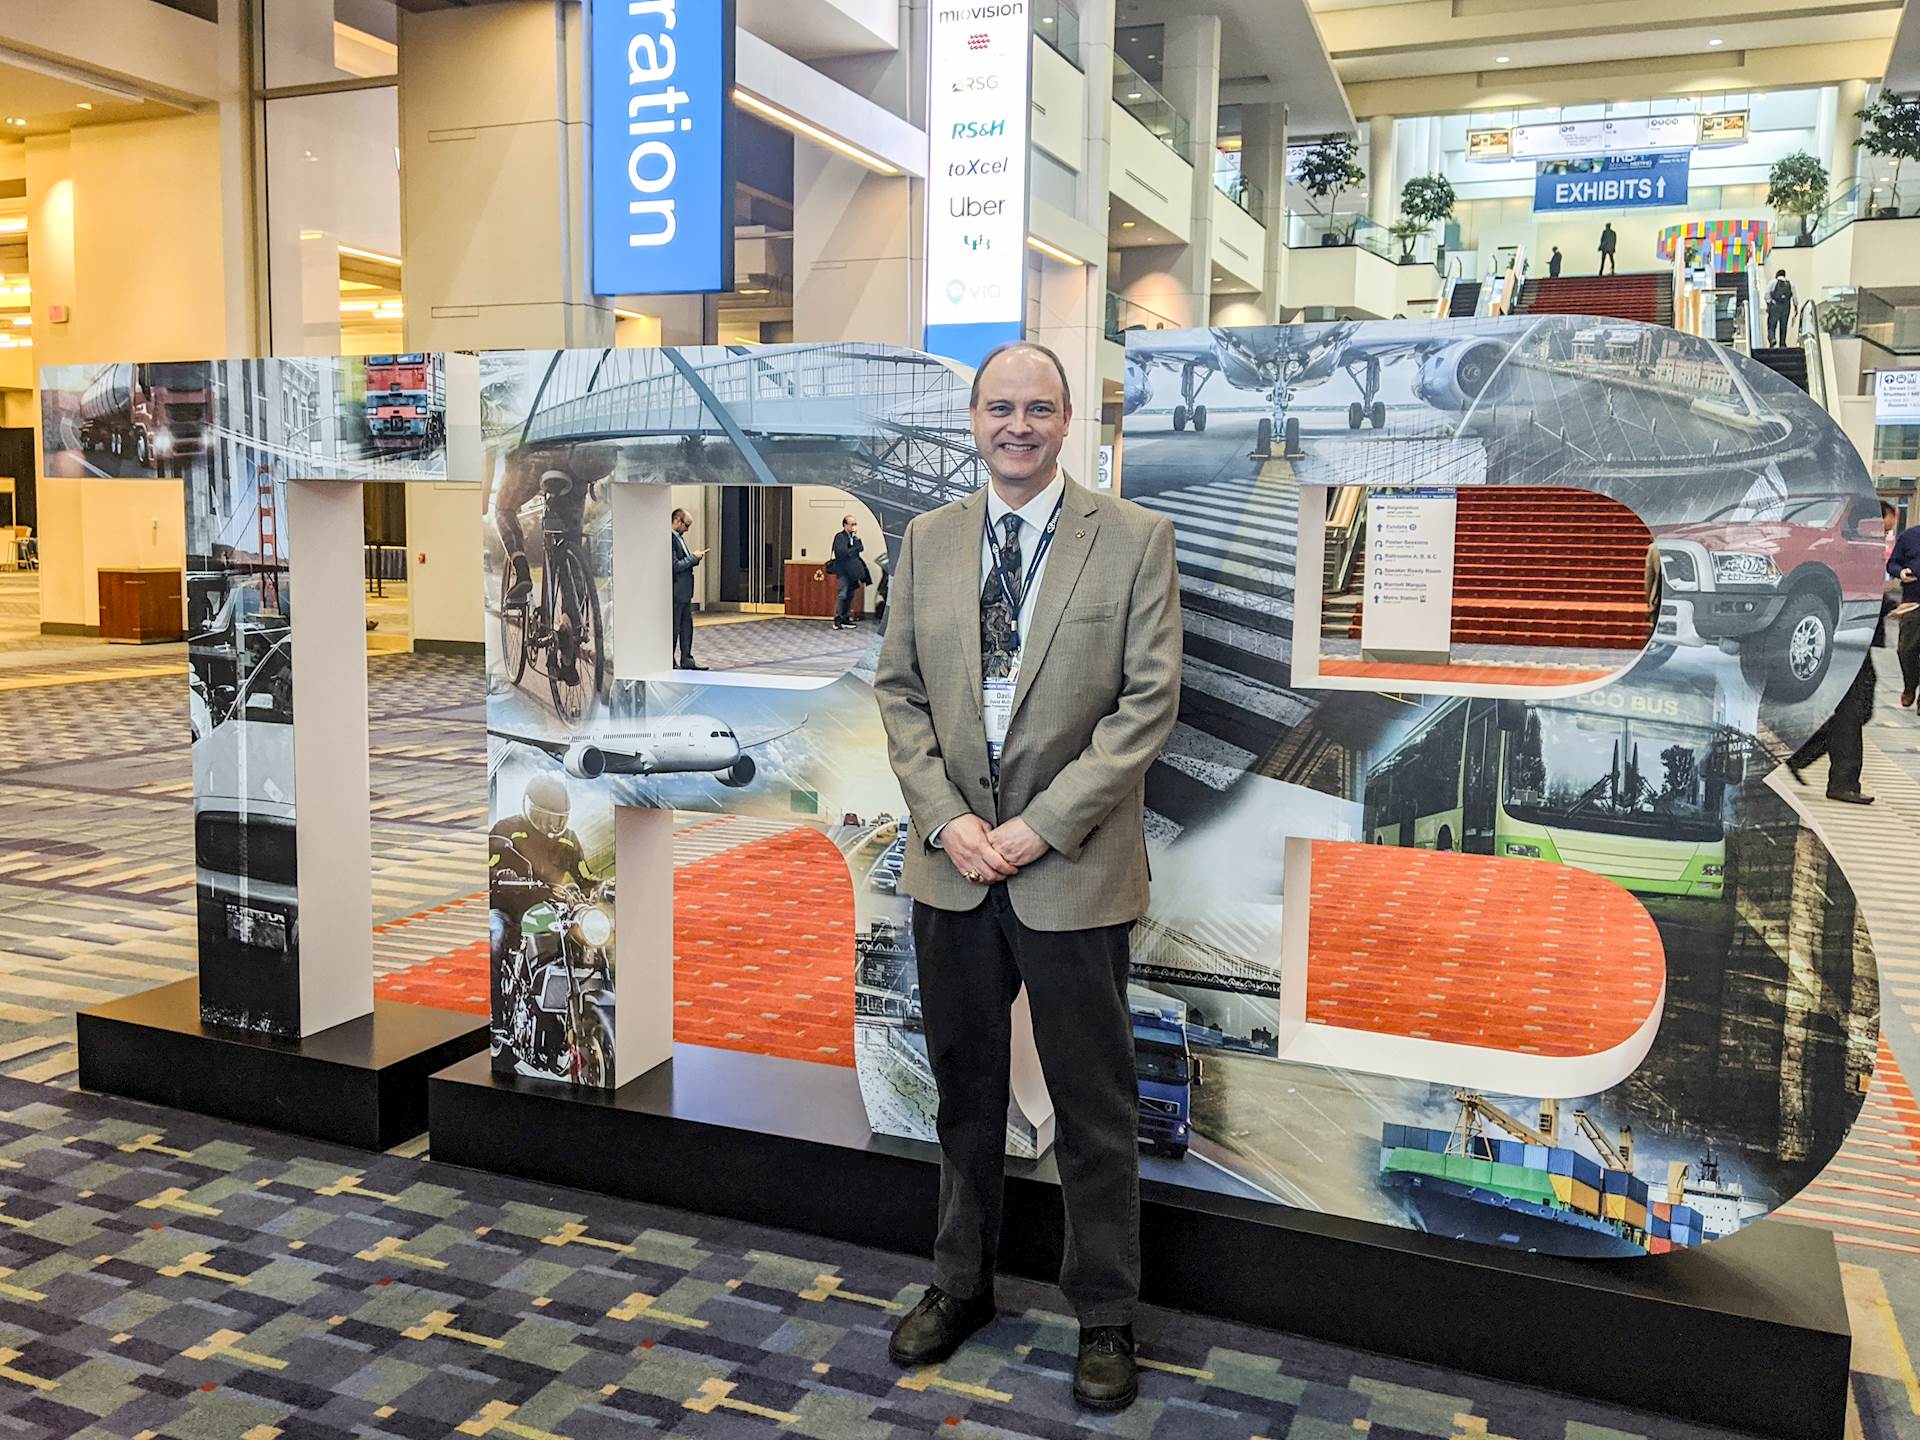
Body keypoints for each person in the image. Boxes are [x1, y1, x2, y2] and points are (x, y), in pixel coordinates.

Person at [873, 341, 1183, 1412]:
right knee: (964, 1094)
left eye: (1039, 407)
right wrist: (950, 820)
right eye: (999, 407)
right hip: (952, 867)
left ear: (1067, 421)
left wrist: (1039, 828)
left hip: (1073, 870)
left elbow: (1146, 708)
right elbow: (899, 693)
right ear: (972, 418)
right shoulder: (928, 539)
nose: (1018, 424)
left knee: (1095, 1107)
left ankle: (1105, 1314)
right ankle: (961, 1284)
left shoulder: (1134, 539)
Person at [1789, 505, 1896, 803]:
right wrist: (1888, 605)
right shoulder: (1846, 547)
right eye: (1883, 530)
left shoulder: (1862, 548)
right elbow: (1854, 586)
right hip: (1848, 637)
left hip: (1856, 637)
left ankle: (1802, 754)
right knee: (1853, 708)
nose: (1886, 537)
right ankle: (1843, 782)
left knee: (1859, 708)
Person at [1889, 507, 1920, 706]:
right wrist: (1900, 573)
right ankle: (1910, 685)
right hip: (1912, 602)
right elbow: (1892, 563)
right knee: (1906, 650)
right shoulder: (1910, 536)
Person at [671, 508, 708, 671]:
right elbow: (675, 566)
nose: (687, 529)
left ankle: (687, 659)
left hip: (684, 593)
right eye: (686, 525)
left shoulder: (679, 538)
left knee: (686, 628)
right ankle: (670, 662)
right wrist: (693, 558)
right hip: (676, 592)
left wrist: (694, 557)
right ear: (677, 520)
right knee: (674, 629)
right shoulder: (670, 538)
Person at [828, 514, 871, 630]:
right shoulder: (840, 537)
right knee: (843, 593)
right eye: (851, 524)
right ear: (845, 525)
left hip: (852, 570)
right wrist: (854, 548)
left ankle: (845, 618)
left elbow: (860, 549)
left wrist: (855, 547)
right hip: (843, 570)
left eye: (855, 524)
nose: (853, 527)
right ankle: (837, 619)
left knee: (850, 594)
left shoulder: (854, 538)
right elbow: (843, 553)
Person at [1766, 269, 1795, 348]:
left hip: (1775, 306)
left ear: (1777, 275)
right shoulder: (1790, 284)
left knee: (1772, 325)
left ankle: (1772, 339)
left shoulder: (1773, 282)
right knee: (1783, 325)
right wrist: (1796, 307)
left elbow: (1767, 294)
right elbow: (1794, 297)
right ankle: (1782, 343)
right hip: (1786, 307)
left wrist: (1769, 303)